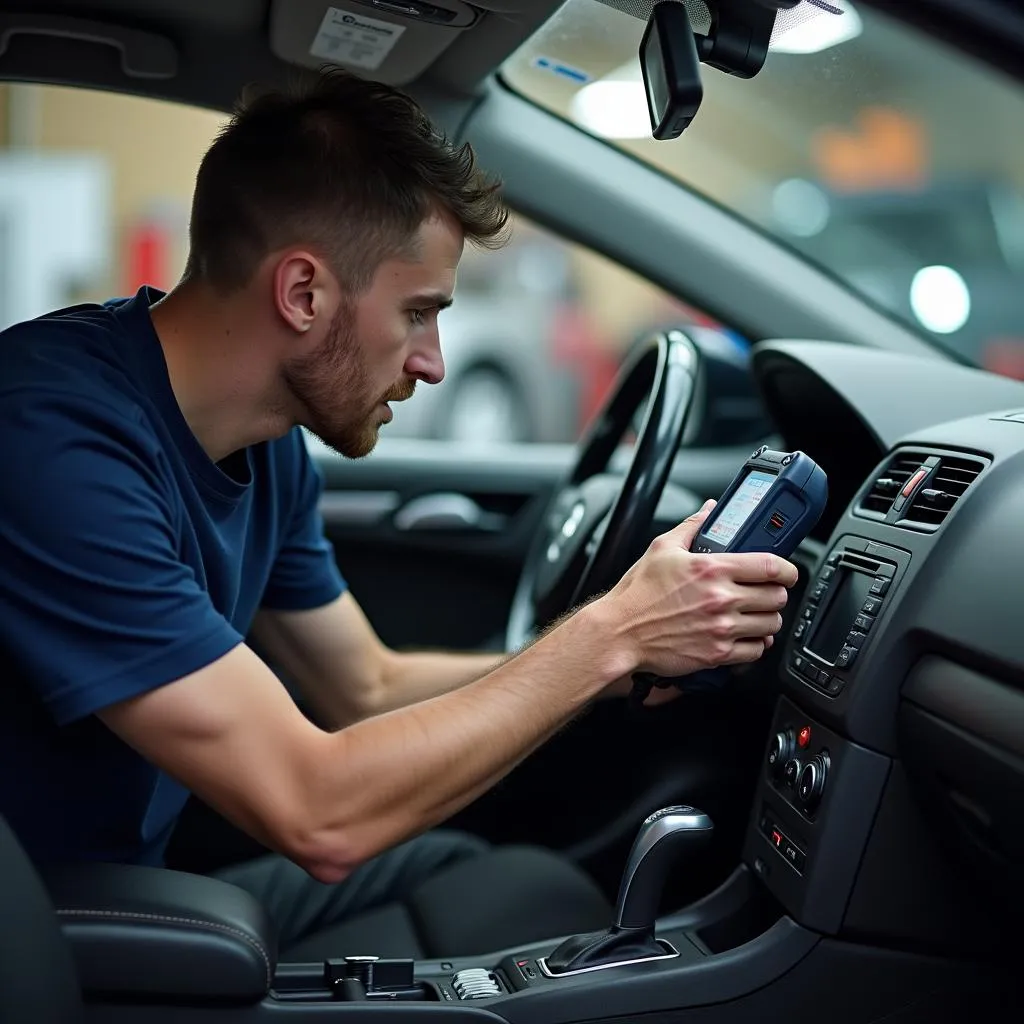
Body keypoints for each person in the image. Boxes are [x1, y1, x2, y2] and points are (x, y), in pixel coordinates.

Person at [0, 69, 797, 960]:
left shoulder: (266, 444)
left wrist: (622, 658)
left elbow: (364, 688)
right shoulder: (50, 438)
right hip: (47, 933)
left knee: (479, 872)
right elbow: (316, 809)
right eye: (419, 313)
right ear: (303, 293)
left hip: (120, 885)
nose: (434, 364)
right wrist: (611, 631)